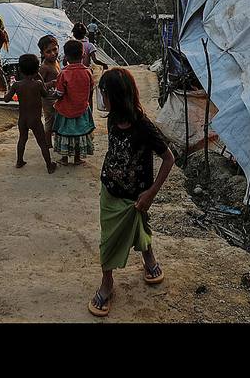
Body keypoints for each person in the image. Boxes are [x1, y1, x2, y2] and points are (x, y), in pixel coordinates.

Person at [89, 68, 174, 317]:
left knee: (140, 225)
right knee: (109, 239)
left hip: (137, 196)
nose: (101, 98)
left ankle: (148, 257)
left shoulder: (144, 127)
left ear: (115, 95)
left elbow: (168, 158)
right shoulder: (112, 119)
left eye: (104, 93)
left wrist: (150, 193)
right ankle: (107, 282)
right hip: (110, 190)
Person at [4, 53, 57, 173]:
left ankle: (19, 161)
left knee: (22, 139)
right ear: (36, 70)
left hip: (22, 119)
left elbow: (6, 99)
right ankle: (49, 165)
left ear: (20, 69)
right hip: (35, 120)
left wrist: (7, 92)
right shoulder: (37, 84)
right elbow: (45, 94)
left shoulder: (17, 85)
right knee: (42, 143)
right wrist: (41, 78)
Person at [52, 39, 95, 166]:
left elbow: (59, 93)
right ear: (83, 55)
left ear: (66, 57)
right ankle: (77, 158)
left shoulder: (64, 73)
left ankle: (64, 158)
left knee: (65, 133)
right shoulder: (88, 71)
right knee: (79, 134)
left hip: (66, 110)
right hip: (82, 109)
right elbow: (90, 89)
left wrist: (53, 94)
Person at [37, 34, 61, 139]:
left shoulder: (56, 61)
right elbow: (39, 85)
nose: (53, 53)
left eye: (55, 49)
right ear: (42, 53)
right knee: (50, 122)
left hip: (56, 96)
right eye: (48, 51)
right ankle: (47, 143)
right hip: (48, 99)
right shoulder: (44, 67)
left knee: (57, 121)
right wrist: (51, 83)